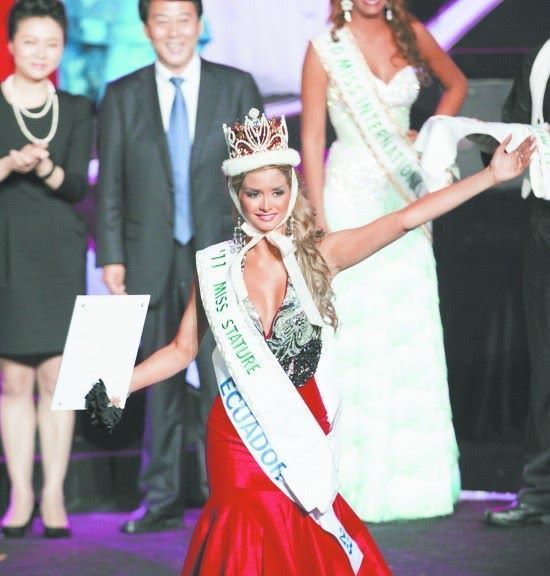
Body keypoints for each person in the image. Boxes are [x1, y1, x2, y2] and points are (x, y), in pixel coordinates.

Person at [94, 109, 532, 576]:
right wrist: (110, 381)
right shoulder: (210, 267)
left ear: (291, 189)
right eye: (253, 194)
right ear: (236, 196)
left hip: (299, 442)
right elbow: (180, 353)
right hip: (239, 446)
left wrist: (490, 175)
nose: (266, 204)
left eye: (276, 191)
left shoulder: (318, 255)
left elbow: (405, 218)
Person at [96, 0, 261, 535]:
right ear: (146, 29)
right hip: (150, 252)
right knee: (159, 379)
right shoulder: (122, 95)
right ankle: (162, 497)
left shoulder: (236, 87)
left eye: (183, 19)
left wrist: (259, 247)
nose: (173, 31)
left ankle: (227, 494)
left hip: (222, 250)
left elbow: (257, 175)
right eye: (160, 20)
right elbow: (111, 185)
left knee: (225, 376)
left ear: (200, 25)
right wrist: (112, 253)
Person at [300, 0, 468, 522]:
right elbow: (310, 137)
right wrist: (320, 222)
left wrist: (433, 132)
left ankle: (415, 482)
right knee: (357, 333)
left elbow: (457, 84)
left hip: (404, 195)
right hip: (348, 196)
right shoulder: (323, 49)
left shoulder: (412, 33)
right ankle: (353, 481)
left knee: (408, 327)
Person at [0, 0, 93, 539]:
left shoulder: (77, 108)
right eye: (30, 41)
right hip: (8, 249)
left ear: (62, 48)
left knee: (58, 378)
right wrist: (10, 164)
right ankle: (21, 493)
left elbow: (78, 185)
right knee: (14, 379)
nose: (40, 52)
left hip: (57, 250)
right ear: (11, 44)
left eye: (51, 43)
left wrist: (47, 167)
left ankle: (54, 494)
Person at [485, 40, 550, 527]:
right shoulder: (538, 53)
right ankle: (542, 491)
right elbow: (518, 122)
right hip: (542, 217)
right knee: (545, 361)